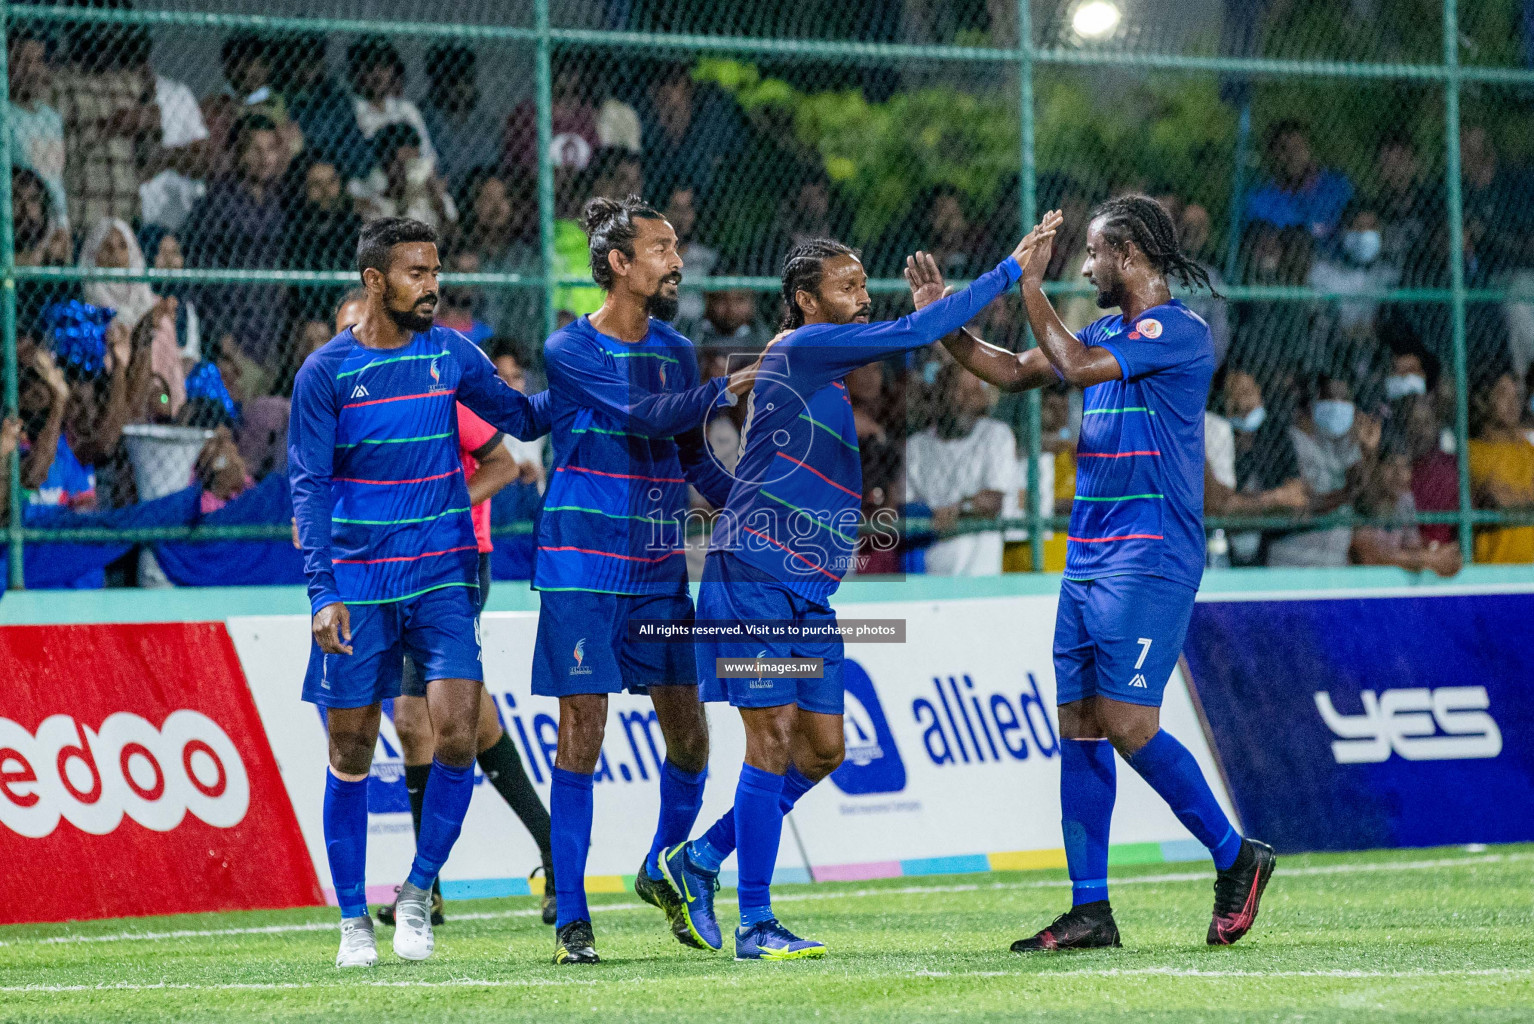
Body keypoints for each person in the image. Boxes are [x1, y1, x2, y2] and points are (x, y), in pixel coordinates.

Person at [662, 225, 1040, 961]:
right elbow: (912, 330)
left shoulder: (817, 369)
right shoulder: (802, 349)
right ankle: (755, 924)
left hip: (806, 590)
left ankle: (700, 858)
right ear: (806, 302)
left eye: (864, 284)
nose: (862, 298)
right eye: (847, 287)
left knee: (825, 749)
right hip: (754, 581)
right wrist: (1007, 272)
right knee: (770, 744)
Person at [926, 195, 1276, 951]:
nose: (1085, 268)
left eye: (1093, 254)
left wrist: (1028, 284)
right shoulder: (1106, 330)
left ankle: (1235, 855)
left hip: (1150, 557)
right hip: (1088, 555)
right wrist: (942, 323)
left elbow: (1074, 367)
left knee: (1126, 723)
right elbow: (1016, 372)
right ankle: (1091, 910)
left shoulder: (1176, 330)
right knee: (1080, 725)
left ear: (1132, 254)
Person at [288, 217, 551, 969]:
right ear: (375, 281)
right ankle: (350, 923)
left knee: (457, 735)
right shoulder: (325, 374)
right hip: (359, 585)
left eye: (435, 271)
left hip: (443, 575)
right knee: (350, 747)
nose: (432, 286)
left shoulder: (450, 354)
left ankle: (418, 891)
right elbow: (307, 488)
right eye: (415, 273)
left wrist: (584, 379)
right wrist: (320, 593)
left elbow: (523, 419)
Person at [531, 195, 754, 966]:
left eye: (677, 246)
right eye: (661, 248)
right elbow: (645, 415)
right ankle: (573, 921)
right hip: (581, 565)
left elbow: (691, 458)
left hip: (658, 563)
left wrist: (755, 500)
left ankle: (663, 866)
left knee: (691, 734)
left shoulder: (679, 349)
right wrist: (726, 389)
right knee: (582, 734)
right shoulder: (569, 349)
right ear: (619, 264)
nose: (677, 260)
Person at [904, 363, 1016, 575]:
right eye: (954, 391)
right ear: (938, 397)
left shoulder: (995, 435)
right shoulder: (917, 445)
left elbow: (992, 500)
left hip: (979, 574)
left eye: (971, 393)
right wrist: (929, 516)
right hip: (928, 570)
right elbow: (904, 506)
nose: (962, 400)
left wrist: (957, 509)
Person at [1350, 444, 1461, 576]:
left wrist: (1435, 550)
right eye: (1390, 464)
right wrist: (1430, 559)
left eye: (1405, 466)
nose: (1399, 473)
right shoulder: (1361, 499)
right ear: (1376, 468)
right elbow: (1372, 556)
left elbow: (1412, 546)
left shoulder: (1405, 500)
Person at [1242, 120, 1353, 246]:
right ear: (1272, 155)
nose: (1293, 155)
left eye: (1298, 147)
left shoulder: (1336, 185)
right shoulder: (1260, 200)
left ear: (1309, 148)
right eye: (1284, 149)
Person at [1468, 372, 1534, 563]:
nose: (1512, 403)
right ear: (1483, 399)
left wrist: (1520, 496)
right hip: (1497, 569)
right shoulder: (1473, 452)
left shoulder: (1529, 450)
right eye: (1503, 394)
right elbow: (1498, 497)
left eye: (1517, 396)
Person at [8, 29, 67, 232]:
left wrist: (62, 223)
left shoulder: (51, 118)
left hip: (52, 218)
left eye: (37, 61)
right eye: (22, 61)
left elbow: (56, 177)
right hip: (16, 220)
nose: (30, 70)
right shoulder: (4, 114)